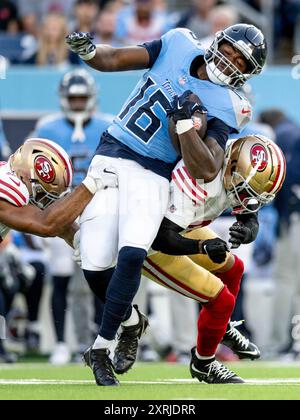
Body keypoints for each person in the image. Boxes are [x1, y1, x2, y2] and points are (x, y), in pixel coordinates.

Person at [66, 23, 267, 386]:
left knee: (132, 254)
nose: (231, 61)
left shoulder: (227, 105)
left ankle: (102, 348)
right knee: (95, 265)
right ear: (217, 40)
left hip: (153, 175)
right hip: (113, 155)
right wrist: (90, 53)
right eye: (231, 50)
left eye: (241, 61)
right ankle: (131, 323)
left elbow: (212, 168)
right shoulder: (178, 44)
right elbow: (114, 57)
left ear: (247, 75)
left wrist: (186, 127)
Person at [34, 69, 112, 364]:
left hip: (96, 212)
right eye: (73, 98)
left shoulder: (107, 125)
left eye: (81, 98)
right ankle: (61, 343)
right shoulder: (47, 127)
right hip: (57, 211)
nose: (77, 103)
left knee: (98, 277)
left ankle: (100, 341)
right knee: (61, 278)